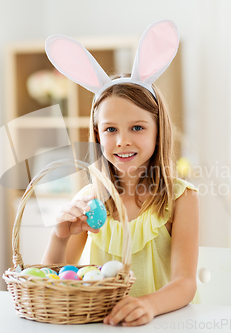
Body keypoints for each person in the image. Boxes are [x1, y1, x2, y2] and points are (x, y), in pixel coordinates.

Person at [41, 20, 200, 327]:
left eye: (137, 128)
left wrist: (146, 306)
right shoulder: (90, 200)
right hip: (108, 324)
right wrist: (59, 237)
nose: (122, 140)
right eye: (110, 129)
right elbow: (52, 281)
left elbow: (185, 284)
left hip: (166, 323)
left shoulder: (180, 199)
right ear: (98, 135)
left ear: (158, 131)